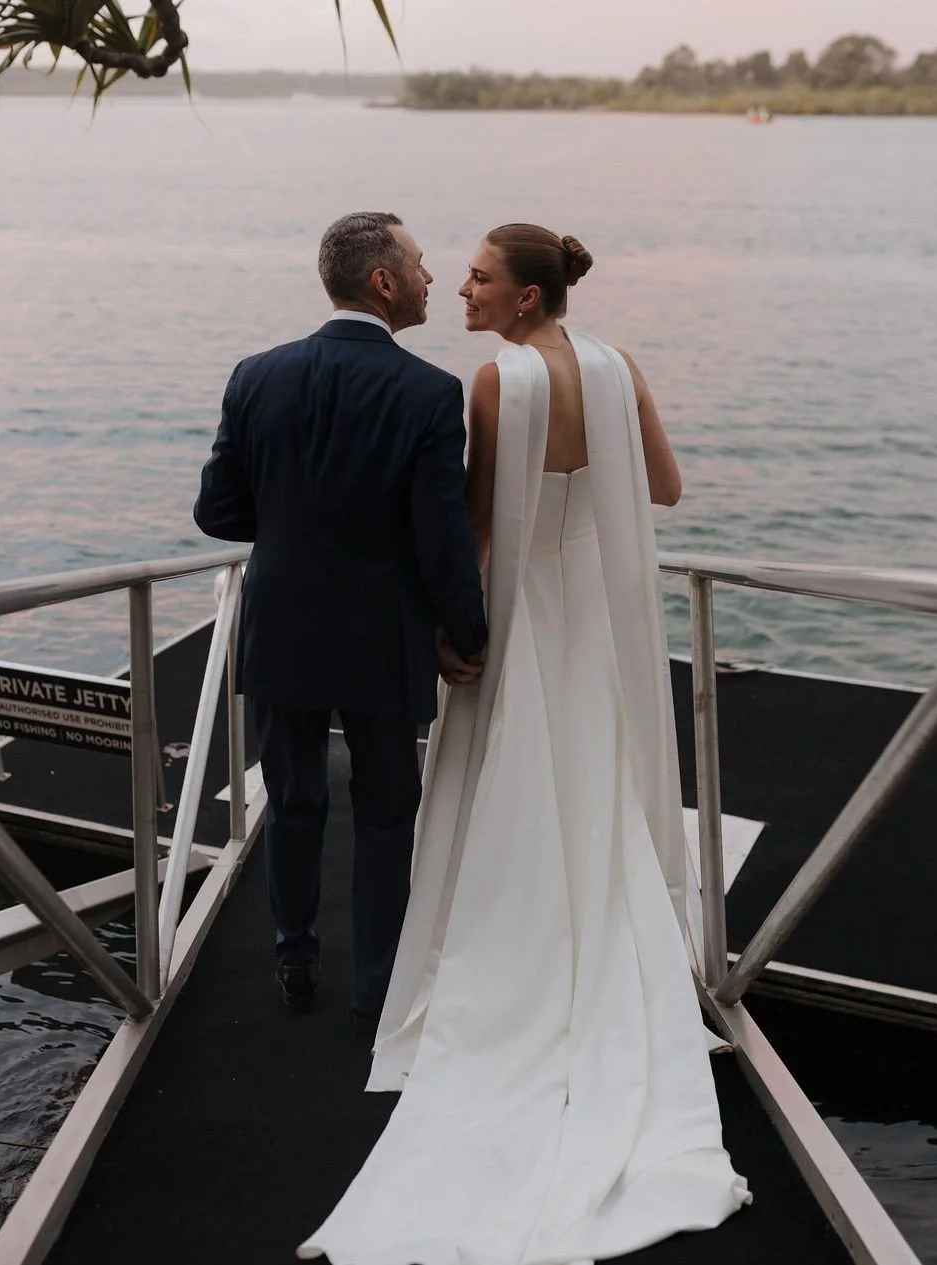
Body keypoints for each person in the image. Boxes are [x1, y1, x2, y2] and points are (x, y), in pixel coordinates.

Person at [298, 224, 750, 1263]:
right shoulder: (616, 364)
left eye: (480, 277)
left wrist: (454, 619)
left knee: (510, 774)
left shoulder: (496, 382)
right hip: (595, 600)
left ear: (527, 299)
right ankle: (608, 948)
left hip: (524, 603)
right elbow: (663, 490)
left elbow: (471, 521)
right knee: (597, 774)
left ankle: (510, 945)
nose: (459, 286)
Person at [192, 211, 488, 1036]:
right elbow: (443, 538)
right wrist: (469, 632)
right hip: (384, 635)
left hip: (282, 622)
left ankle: (293, 957)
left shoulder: (255, 376)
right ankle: (375, 985)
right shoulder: (430, 391)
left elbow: (218, 512)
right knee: (390, 808)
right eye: (423, 265)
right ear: (384, 281)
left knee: (291, 799)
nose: (434, 279)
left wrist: (292, 526)